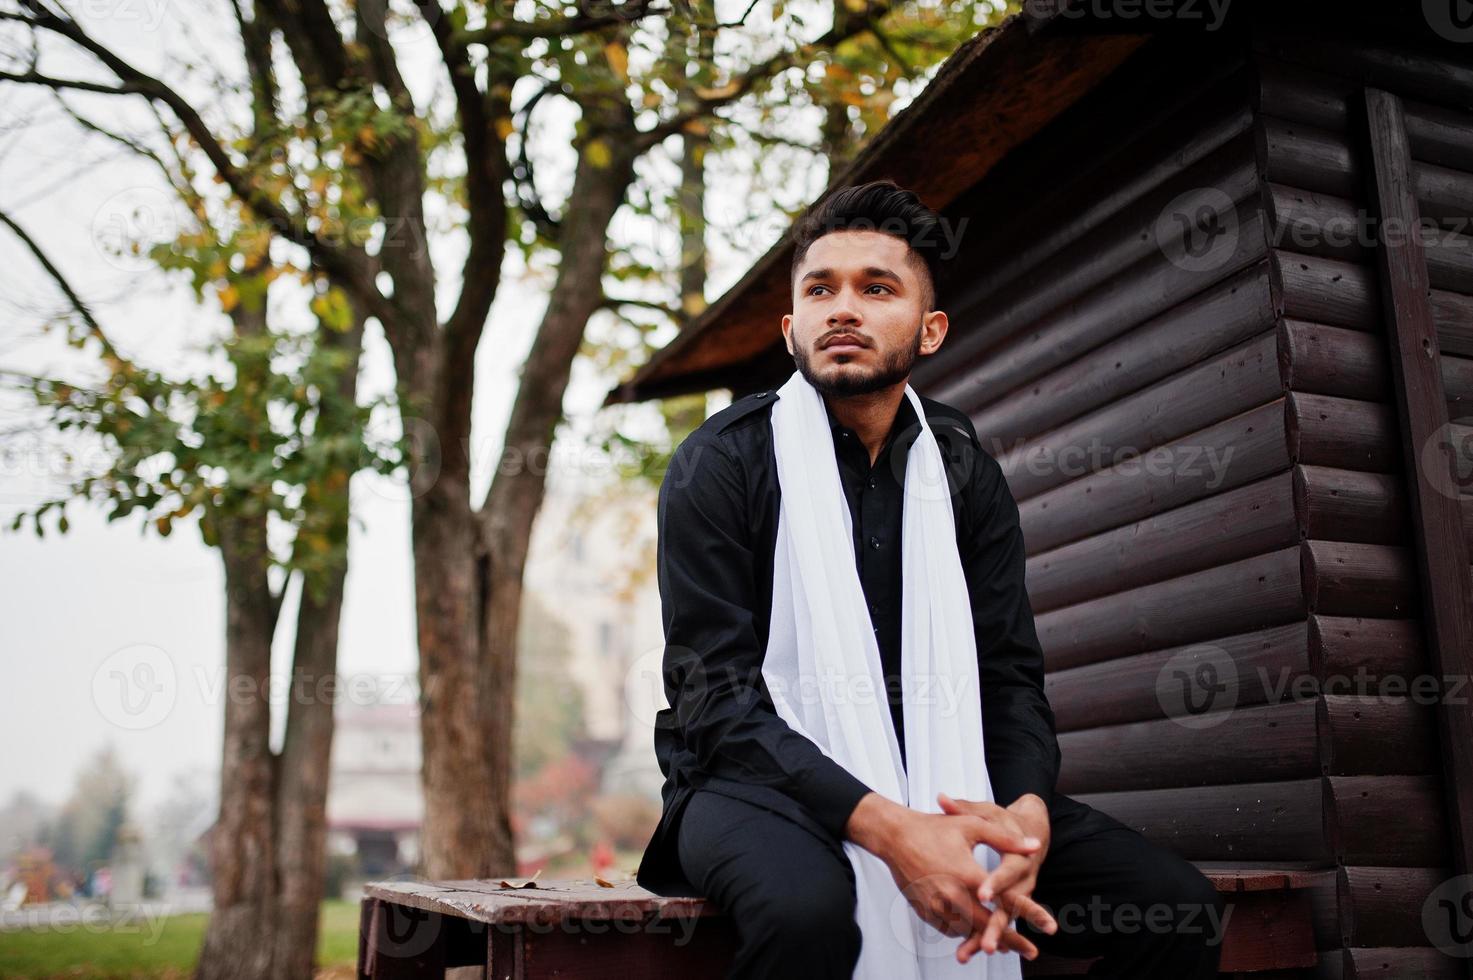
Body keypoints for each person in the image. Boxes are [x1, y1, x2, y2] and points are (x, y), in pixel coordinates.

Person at [635, 179, 1226, 979]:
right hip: (751, 784)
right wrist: (887, 829)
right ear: (790, 328)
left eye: (876, 288)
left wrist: (1025, 816)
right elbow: (714, 701)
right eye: (820, 289)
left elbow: (1010, 675)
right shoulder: (720, 464)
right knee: (809, 917)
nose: (843, 308)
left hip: (950, 774)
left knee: (1176, 909)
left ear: (930, 328)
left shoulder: (962, 471)